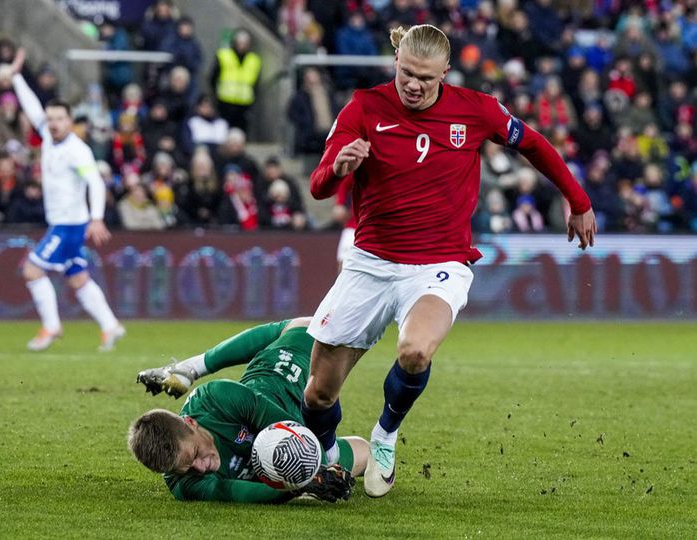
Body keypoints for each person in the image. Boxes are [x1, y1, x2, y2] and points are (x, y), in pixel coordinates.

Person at [301, 24, 598, 498]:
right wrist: (338, 168)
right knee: (318, 393)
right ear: (395, 61)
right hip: (370, 262)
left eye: (424, 77)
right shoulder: (363, 106)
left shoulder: (476, 109)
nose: (413, 85)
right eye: (405, 74)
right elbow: (318, 185)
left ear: (445, 71)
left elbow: (535, 144)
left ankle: (384, 435)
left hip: (439, 263)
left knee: (416, 351)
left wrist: (577, 199)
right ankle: (327, 458)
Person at [130, 317, 367, 503]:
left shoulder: (214, 400)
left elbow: (290, 427)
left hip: (286, 374)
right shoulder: (181, 482)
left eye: (194, 455)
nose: (201, 468)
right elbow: (229, 491)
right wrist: (300, 487)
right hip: (283, 443)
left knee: (308, 328)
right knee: (365, 456)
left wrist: (315, 470)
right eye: (187, 469)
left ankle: (190, 368)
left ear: (190, 423)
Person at [10, 49, 125, 352]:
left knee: (32, 271)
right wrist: (16, 77)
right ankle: (110, 326)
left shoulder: (78, 150)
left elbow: (94, 182)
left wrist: (97, 217)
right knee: (78, 279)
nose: (53, 124)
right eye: (50, 119)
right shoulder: (48, 136)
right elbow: (32, 106)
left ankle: (51, 326)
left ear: (70, 120)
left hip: (68, 226)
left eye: (59, 119)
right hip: (65, 223)